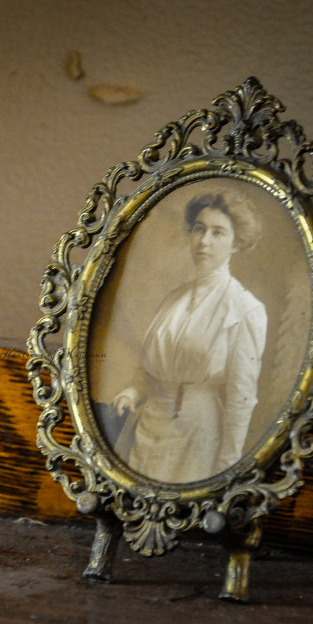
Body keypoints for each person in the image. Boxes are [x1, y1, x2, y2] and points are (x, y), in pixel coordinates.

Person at [111, 190, 266, 483]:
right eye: (199, 229)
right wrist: (134, 390)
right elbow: (149, 367)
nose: (204, 241)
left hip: (197, 432)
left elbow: (241, 397)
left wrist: (229, 463)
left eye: (218, 232)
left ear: (237, 242)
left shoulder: (245, 309)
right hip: (148, 424)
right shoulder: (173, 299)